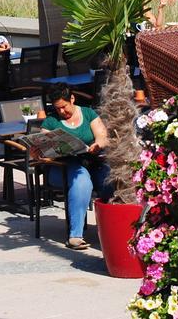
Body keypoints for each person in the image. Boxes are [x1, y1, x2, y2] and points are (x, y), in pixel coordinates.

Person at [39, 82, 112, 250]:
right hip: (64, 166)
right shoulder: (51, 122)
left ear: (72, 99)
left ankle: (110, 227)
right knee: (81, 182)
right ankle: (75, 236)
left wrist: (97, 145)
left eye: (64, 107)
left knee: (110, 180)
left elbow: (102, 135)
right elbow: (44, 146)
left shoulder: (88, 113)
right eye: (57, 109)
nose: (61, 112)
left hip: (91, 160)